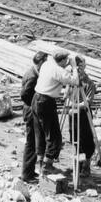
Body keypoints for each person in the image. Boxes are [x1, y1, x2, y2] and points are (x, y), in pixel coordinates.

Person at [32, 50, 77, 174]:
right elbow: (75, 81)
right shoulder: (58, 70)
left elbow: (60, 75)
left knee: (40, 133)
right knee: (54, 136)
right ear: (62, 60)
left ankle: (39, 164)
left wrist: (66, 68)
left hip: (36, 98)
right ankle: (47, 166)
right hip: (46, 102)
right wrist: (73, 67)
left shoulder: (47, 64)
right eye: (65, 61)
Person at [19, 51, 47, 183]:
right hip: (30, 110)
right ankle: (26, 174)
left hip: (30, 108)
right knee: (31, 142)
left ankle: (30, 171)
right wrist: (34, 103)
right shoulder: (32, 76)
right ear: (40, 62)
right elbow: (24, 94)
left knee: (35, 141)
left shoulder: (33, 71)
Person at [69, 56, 99, 175]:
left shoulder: (89, 83)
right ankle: (78, 164)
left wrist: (75, 106)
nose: (79, 69)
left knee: (87, 140)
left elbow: (88, 101)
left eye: (81, 66)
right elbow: (65, 96)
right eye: (77, 67)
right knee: (75, 139)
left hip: (84, 114)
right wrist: (70, 104)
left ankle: (86, 165)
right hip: (73, 114)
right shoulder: (71, 80)